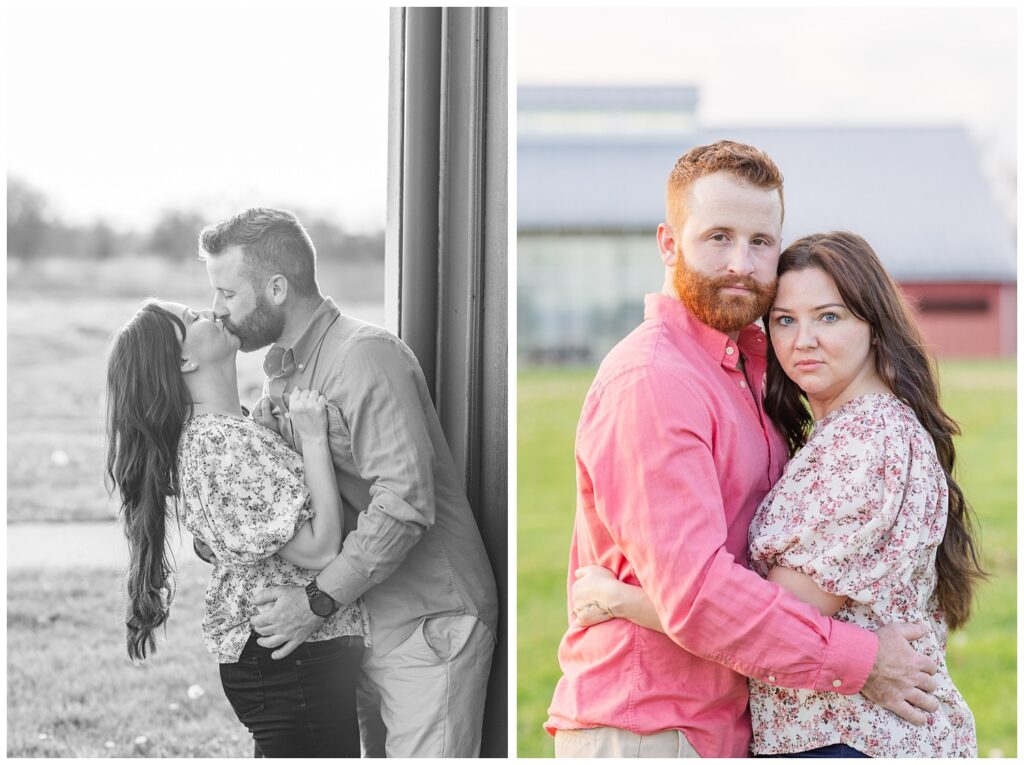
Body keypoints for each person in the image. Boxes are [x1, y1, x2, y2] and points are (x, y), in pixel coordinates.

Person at [545, 141, 943, 759]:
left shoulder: (755, 375)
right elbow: (699, 596)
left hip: (729, 726)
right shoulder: (654, 380)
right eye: (718, 237)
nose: (741, 262)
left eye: (761, 242)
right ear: (669, 244)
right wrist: (864, 661)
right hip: (652, 726)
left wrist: (624, 597)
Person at [195, 207, 499, 758]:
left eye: (228, 293)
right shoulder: (286, 371)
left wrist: (314, 602)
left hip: (426, 622)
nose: (218, 311)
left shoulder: (364, 358)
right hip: (361, 620)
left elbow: (403, 504)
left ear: (277, 288)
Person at [105, 300, 365, 757]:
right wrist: (312, 438)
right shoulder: (220, 444)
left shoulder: (227, 432)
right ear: (186, 360)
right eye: (193, 318)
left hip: (286, 657)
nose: (211, 312)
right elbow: (322, 549)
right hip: (290, 662)